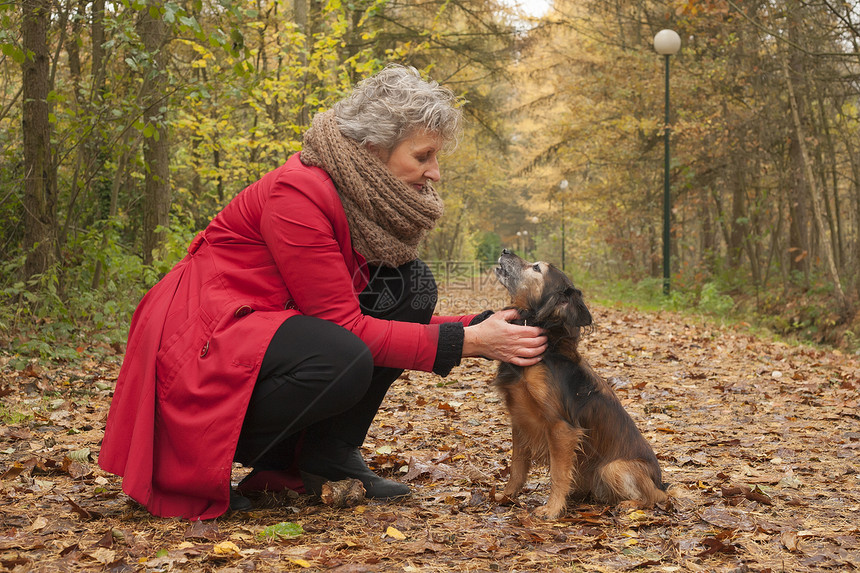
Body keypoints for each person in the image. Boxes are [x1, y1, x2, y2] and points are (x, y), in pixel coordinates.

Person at [98, 64, 547, 520]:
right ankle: (194, 452)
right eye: (423, 155)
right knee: (341, 356)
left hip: (260, 320)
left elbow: (364, 313)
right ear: (374, 147)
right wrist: (467, 343)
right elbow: (346, 326)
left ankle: (324, 456)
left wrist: (475, 326)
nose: (435, 173)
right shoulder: (298, 193)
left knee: (408, 287)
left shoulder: (356, 197)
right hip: (203, 331)